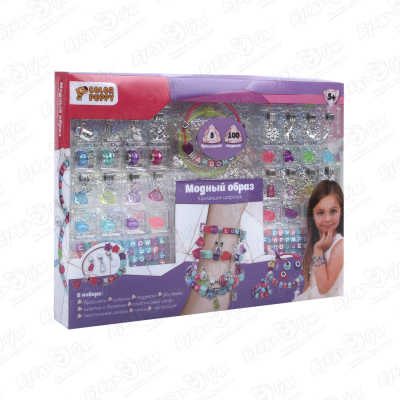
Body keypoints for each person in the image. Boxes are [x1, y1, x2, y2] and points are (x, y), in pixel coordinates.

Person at [293, 180, 344, 301]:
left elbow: (323, 288)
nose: (327, 219)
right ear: (313, 214)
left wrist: (318, 250)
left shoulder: (340, 245)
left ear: (341, 211)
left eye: (333, 211)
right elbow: (309, 285)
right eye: (320, 213)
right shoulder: (315, 241)